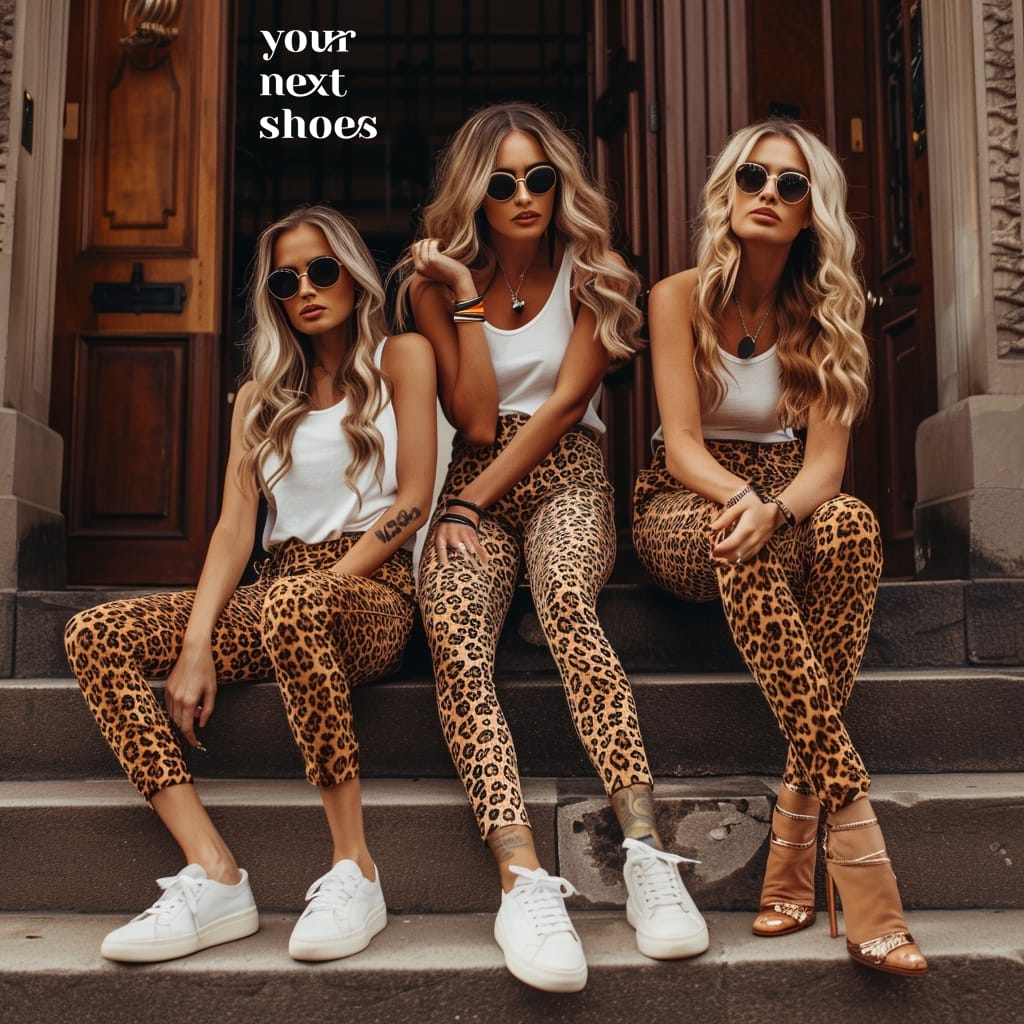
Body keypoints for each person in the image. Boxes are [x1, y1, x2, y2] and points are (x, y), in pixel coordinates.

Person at [64, 205, 436, 964]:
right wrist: (197, 642)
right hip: (276, 590)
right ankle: (214, 872)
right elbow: (235, 529)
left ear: (354, 274)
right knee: (95, 632)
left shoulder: (404, 355)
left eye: (321, 269)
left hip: (375, 588)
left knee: (297, 602)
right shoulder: (257, 396)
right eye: (285, 279)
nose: (305, 288)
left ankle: (354, 868)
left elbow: (415, 500)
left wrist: (323, 588)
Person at [394, 102, 708, 993]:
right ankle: (523, 879)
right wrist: (458, 299)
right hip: (476, 479)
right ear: (475, 195)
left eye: (540, 177)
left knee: (568, 599)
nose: (525, 195)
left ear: (561, 184)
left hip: (565, 471)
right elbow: (478, 420)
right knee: (455, 636)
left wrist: (470, 504)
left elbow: (568, 405)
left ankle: (645, 855)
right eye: (503, 182)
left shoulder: (597, 271)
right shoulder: (434, 285)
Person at [632, 119, 927, 977]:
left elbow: (826, 468)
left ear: (810, 214)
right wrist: (744, 502)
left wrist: (776, 507)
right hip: (688, 502)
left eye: (790, 186)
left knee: (855, 525)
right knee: (742, 541)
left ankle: (795, 831)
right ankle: (859, 846)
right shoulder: (677, 296)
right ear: (728, 193)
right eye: (753, 178)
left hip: (785, 497)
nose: (768, 193)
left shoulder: (831, 315)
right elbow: (683, 444)